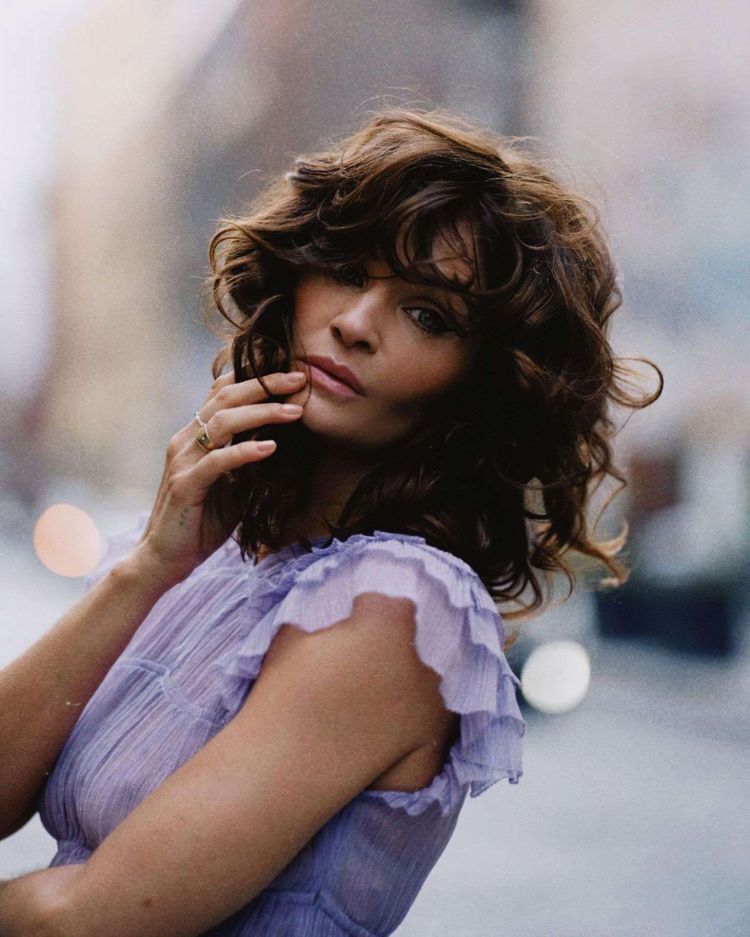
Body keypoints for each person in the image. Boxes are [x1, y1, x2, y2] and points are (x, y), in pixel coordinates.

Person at [0, 106, 662, 936]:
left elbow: (88, 922)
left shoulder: (399, 607)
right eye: (348, 269)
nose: (355, 322)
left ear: (485, 383)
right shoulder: (220, 555)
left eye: (428, 315)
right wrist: (145, 573)